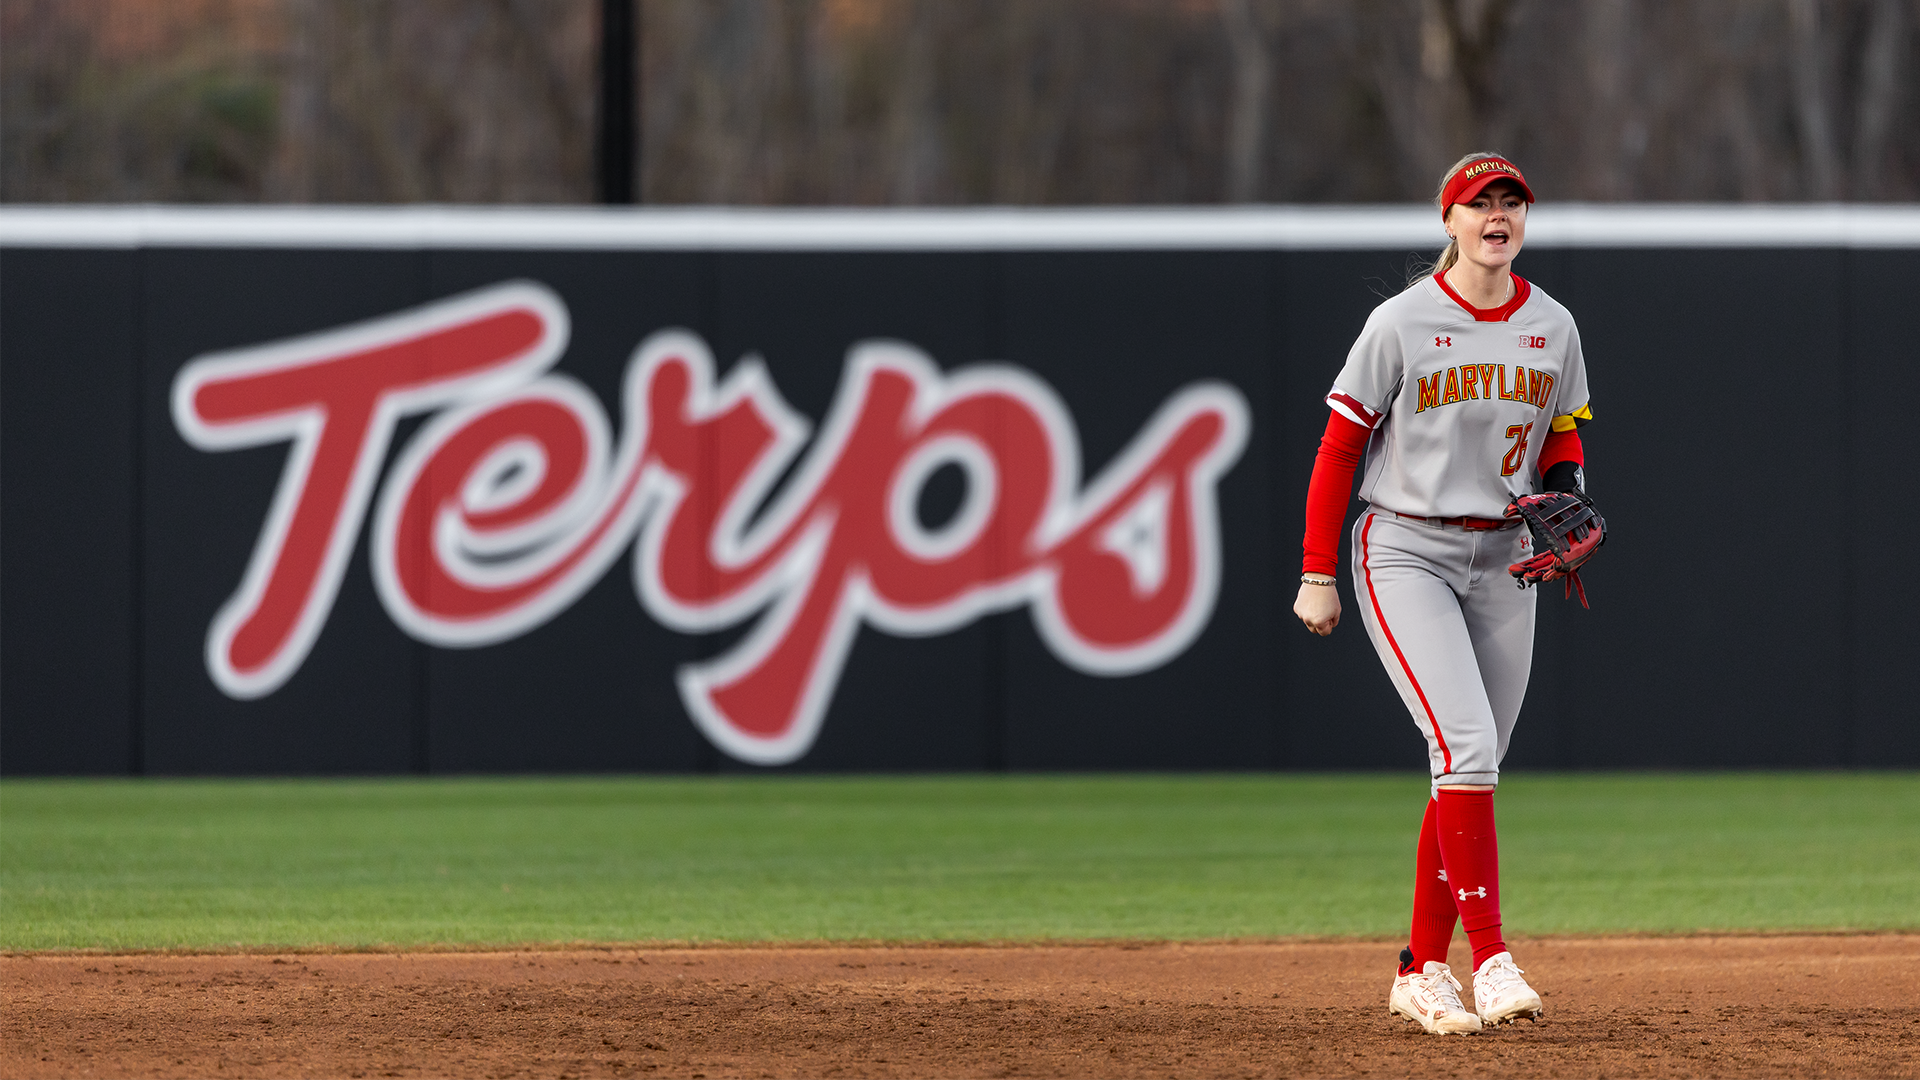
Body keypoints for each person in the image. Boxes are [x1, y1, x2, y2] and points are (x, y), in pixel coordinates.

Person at [1293, 152, 1592, 1035]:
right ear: (1449, 219)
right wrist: (1316, 572)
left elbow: (1562, 431)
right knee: (1464, 744)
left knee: (1470, 763)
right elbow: (1339, 447)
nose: (1497, 215)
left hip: (1503, 559)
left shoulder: (1554, 323)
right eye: (1480, 204)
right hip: (1406, 549)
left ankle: (1421, 971)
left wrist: (1567, 494)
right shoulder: (1403, 320)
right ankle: (1490, 959)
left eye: (1510, 203)